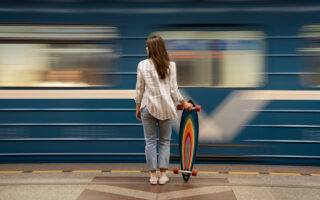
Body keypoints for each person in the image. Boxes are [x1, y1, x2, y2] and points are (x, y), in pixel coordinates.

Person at [135, 35, 193, 185]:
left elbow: (139, 89)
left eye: (147, 46)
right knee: (164, 142)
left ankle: (152, 176)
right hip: (166, 108)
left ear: (152, 48)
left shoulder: (142, 65)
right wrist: (184, 102)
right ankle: (163, 176)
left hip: (147, 107)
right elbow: (173, 90)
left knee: (150, 142)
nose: (146, 48)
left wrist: (137, 107)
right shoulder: (170, 65)